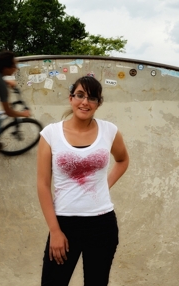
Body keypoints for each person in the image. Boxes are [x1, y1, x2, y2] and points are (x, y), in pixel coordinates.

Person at [37, 76, 129, 286]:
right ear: (71, 98)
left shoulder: (109, 131)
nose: (85, 102)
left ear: (99, 103)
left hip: (102, 224)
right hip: (65, 224)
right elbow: (42, 184)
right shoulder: (51, 134)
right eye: (80, 95)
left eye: (92, 98)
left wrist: (104, 186)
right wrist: (55, 230)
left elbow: (122, 160)